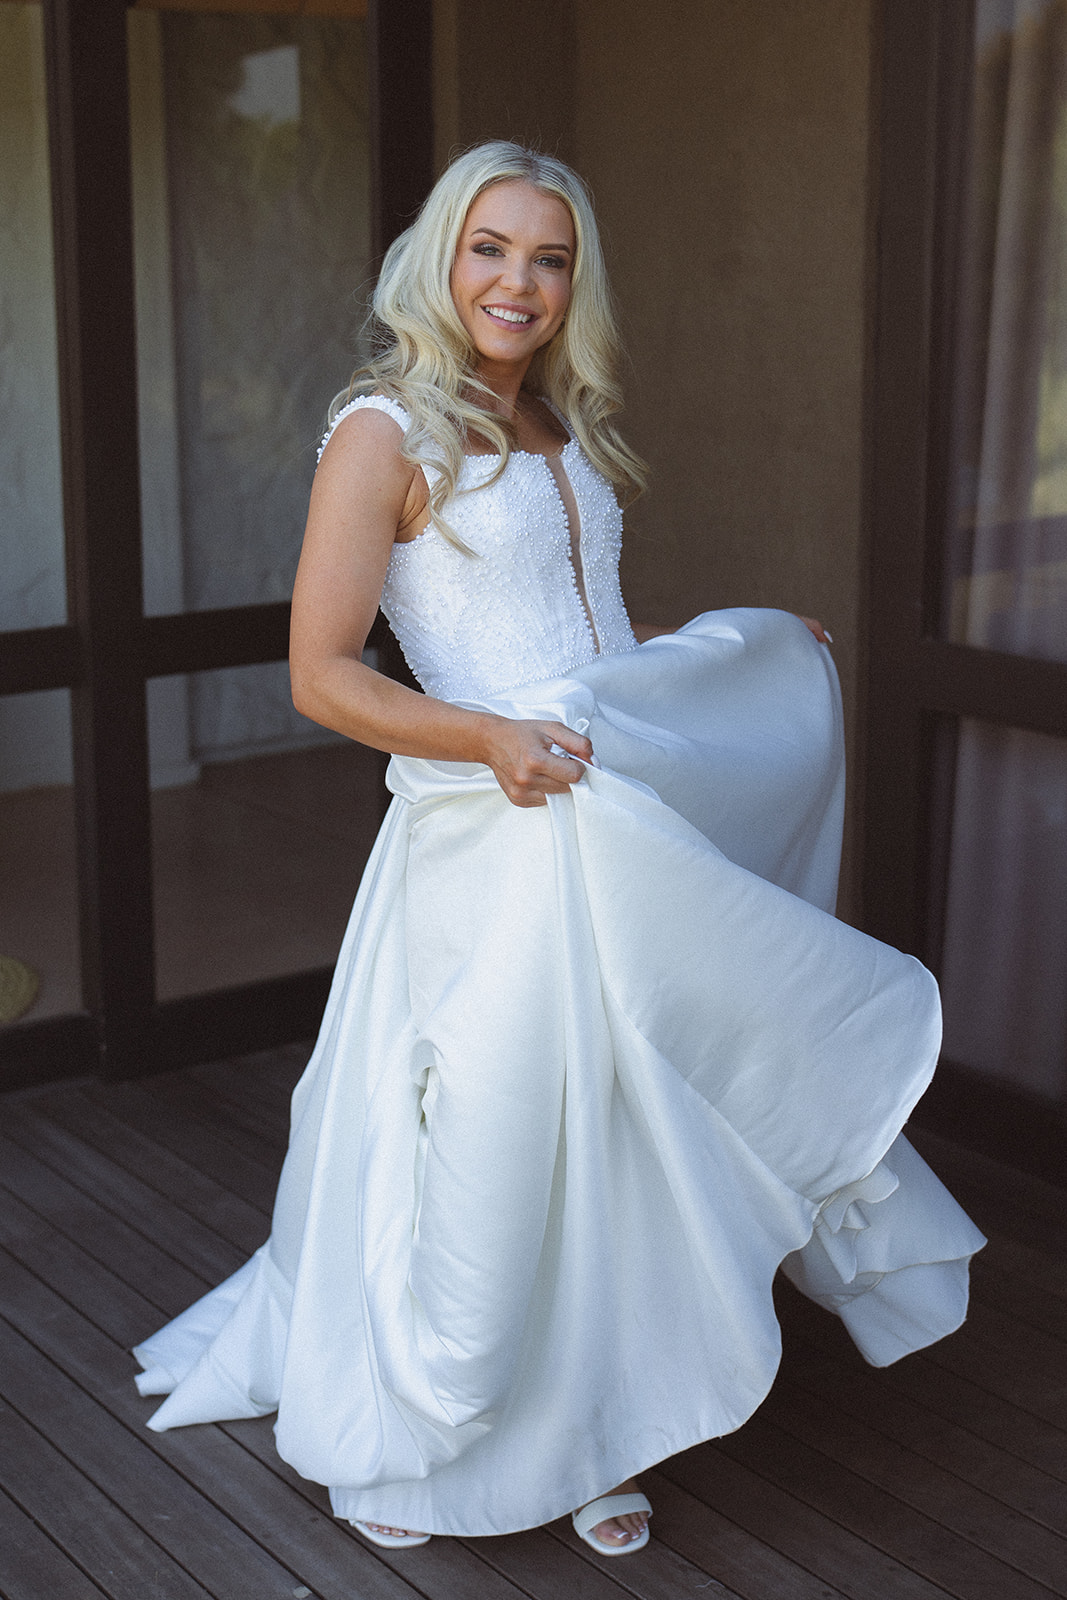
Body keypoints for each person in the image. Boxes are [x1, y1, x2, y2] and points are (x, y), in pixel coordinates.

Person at [133, 142, 984, 1557]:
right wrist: (489, 740)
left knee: (625, 1124)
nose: (516, 282)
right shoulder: (382, 433)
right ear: (440, 259)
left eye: (549, 257)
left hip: (607, 809)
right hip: (498, 834)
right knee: (505, 1128)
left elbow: (581, 635)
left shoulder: (558, 424)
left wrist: (730, 654)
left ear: (574, 281)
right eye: (490, 248)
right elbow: (321, 674)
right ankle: (454, 1427)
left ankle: (602, 1425)